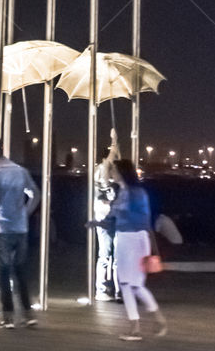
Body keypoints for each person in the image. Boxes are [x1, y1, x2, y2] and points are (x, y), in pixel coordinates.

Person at [0, 135, 40, 330]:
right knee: (21, 270)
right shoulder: (20, 170)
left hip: (2, 226)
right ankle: (28, 314)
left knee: (4, 271)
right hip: (20, 226)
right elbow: (35, 194)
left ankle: (7, 317)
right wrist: (25, 212)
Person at [105, 159, 166, 341]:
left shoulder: (126, 193)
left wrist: (99, 221)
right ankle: (156, 319)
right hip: (140, 239)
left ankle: (136, 329)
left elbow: (120, 216)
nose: (112, 173)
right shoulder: (138, 192)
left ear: (122, 172)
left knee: (126, 284)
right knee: (135, 285)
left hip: (128, 239)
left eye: (114, 170)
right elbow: (144, 220)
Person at [94, 128, 120, 300]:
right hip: (105, 219)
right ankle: (102, 290)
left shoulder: (110, 174)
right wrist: (114, 140)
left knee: (115, 256)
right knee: (106, 255)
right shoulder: (102, 169)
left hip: (112, 218)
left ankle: (116, 289)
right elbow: (110, 159)